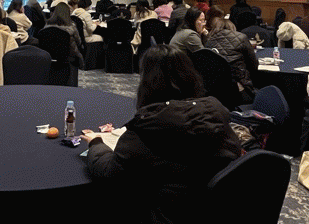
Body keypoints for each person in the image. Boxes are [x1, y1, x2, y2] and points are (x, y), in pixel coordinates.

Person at [80, 44, 241, 224]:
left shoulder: (147, 129)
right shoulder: (216, 115)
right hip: (215, 212)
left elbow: (109, 173)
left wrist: (96, 143)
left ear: (147, 83)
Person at [205, 18, 258, 104]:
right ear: (232, 27)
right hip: (239, 88)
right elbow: (253, 65)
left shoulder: (208, 40)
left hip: (214, 89)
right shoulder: (241, 37)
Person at [43, 2, 84, 69]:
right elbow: (78, 42)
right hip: (68, 56)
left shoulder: (47, 25)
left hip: (49, 56)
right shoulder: (71, 26)